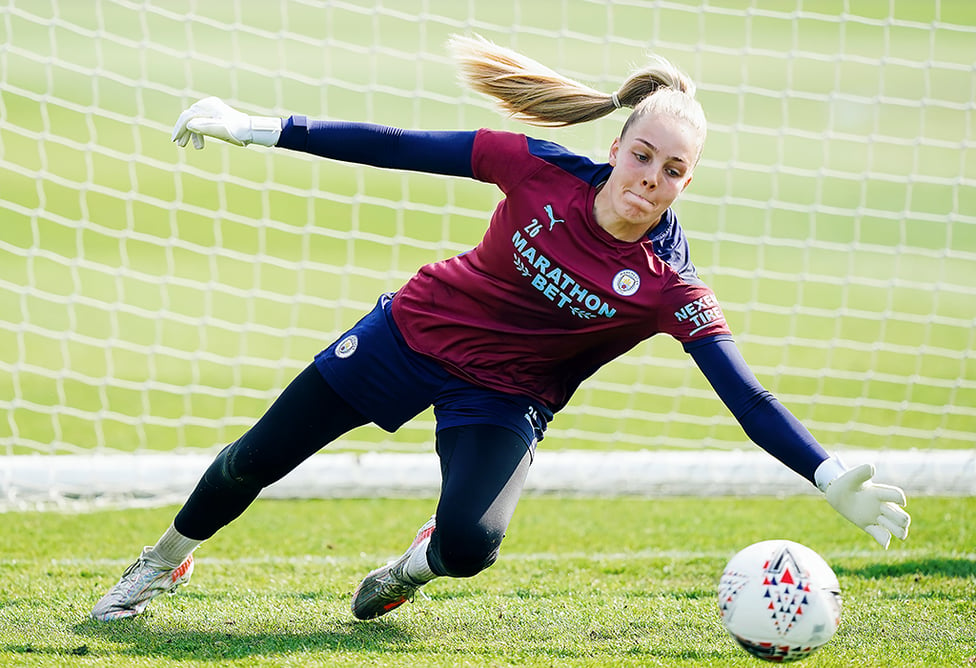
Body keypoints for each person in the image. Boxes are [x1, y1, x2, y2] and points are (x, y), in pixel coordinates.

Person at [90, 35, 911, 622]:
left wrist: (825, 472)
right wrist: (261, 128)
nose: (651, 179)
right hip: (410, 333)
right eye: (643, 156)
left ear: (686, 182)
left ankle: (409, 565)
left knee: (471, 547)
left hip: (507, 397)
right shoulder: (534, 168)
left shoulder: (669, 286)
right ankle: (160, 564)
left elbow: (748, 395)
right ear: (617, 145)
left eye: (673, 171)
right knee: (254, 459)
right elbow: (395, 146)